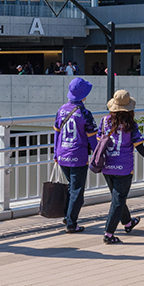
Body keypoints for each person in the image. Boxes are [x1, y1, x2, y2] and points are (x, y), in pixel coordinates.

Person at [97, 90, 144, 244]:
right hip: (124, 168)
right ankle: (109, 234)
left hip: (107, 166)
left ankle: (128, 223)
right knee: (118, 200)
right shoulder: (131, 125)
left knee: (118, 198)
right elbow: (139, 146)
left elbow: (99, 140)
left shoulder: (104, 121)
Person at [53, 77, 97, 234]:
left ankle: (68, 215)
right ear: (84, 96)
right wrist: (98, 155)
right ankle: (71, 223)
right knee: (77, 191)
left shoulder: (62, 110)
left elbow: (57, 132)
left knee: (72, 187)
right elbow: (92, 137)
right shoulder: (85, 113)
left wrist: (55, 153)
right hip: (78, 156)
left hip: (62, 154)